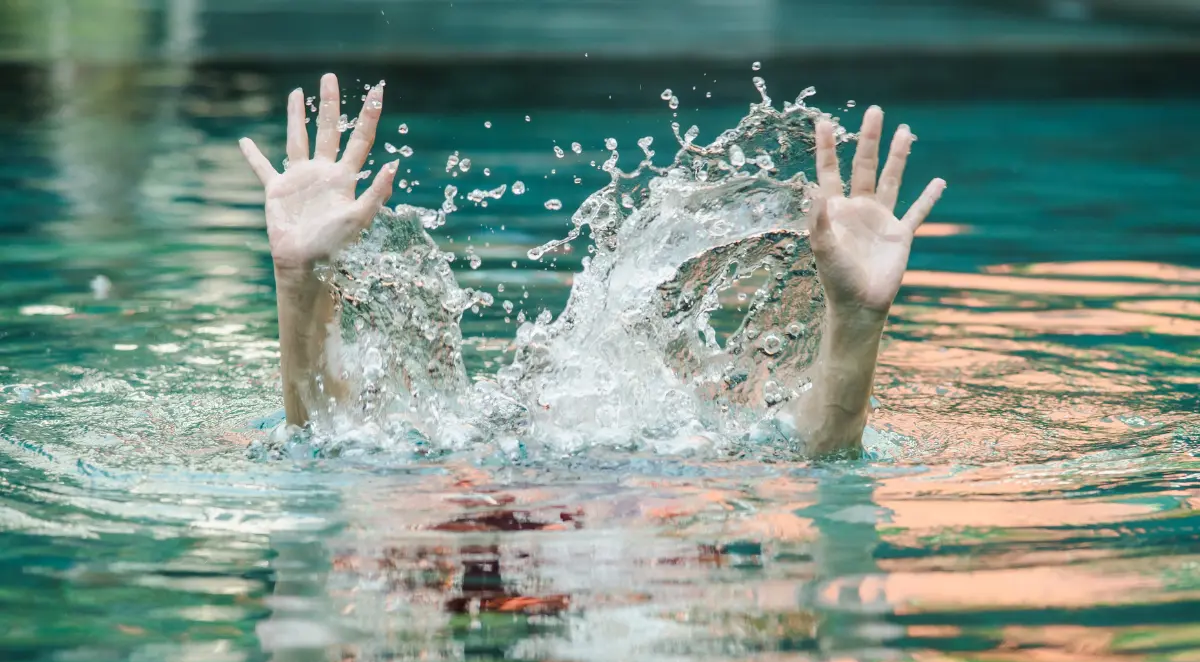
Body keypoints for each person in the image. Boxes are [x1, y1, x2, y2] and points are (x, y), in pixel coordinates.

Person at [238, 74, 945, 459]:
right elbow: (323, 446)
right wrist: (299, 281)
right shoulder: (448, 485)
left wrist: (856, 321)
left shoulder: (671, 457)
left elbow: (817, 453)